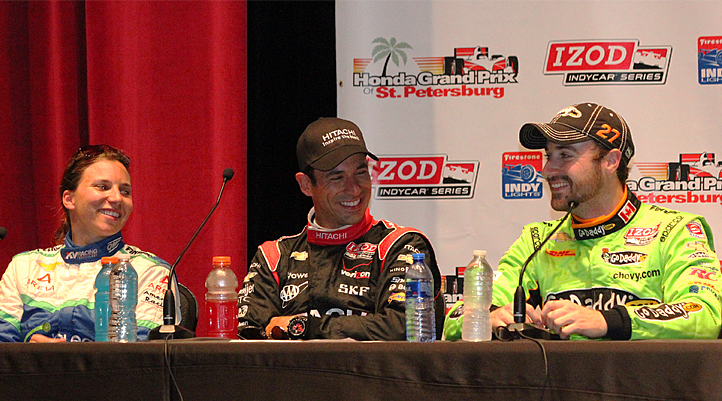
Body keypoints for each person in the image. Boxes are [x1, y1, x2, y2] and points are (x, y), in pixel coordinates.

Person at [447, 102, 721, 340]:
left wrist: (607, 321)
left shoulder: (674, 231)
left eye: (565, 155)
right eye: (548, 156)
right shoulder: (536, 242)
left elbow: (703, 314)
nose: (547, 170)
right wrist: (489, 316)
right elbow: (456, 317)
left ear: (611, 161)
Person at [237, 117, 443, 340]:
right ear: (306, 184)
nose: (354, 189)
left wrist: (306, 327)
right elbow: (251, 335)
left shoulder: (401, 245)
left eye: (361, 173)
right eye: (337, 177)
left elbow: (405, 326)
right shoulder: (274, 256)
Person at [0, 145, 174, 342]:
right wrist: (30, 355)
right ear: (69, 199)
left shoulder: (149, 271)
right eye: (102, 187)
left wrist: (61, 362)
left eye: (125, 191)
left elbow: (141, 357)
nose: (117, 198)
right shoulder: (23, 268)